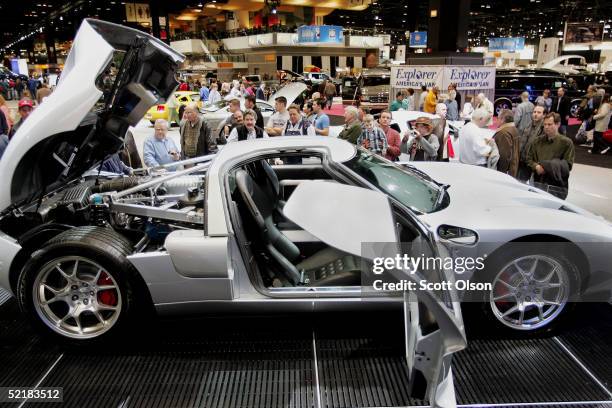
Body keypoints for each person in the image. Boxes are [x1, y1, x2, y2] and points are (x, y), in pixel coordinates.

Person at [527, 112, 575, 199]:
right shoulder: (537, 141)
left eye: (550, 124)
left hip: (556, 185)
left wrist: (548, 167)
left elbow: (568, 165)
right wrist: (536, 166)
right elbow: (529, 158)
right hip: (537, 182)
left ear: (558, 124)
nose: (546, 127)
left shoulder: (566, 143)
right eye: (545, 124)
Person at [517, 105, 545, 181]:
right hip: (522, 160)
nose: (535, 114)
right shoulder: (528, 125)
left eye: (539, 112)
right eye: (534, 112)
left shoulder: (544, 128)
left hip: (533, 163)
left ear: (544, 115)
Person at [493, 109, 520, 177]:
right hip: (513, 168)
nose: (497, 120)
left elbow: (504, 157)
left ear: (502, 119)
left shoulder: (503, 133)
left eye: (498, 118)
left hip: (504, 172)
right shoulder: (514, 129)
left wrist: (500, 174)